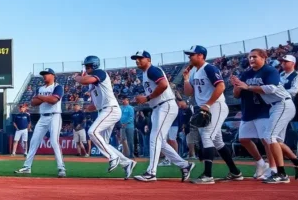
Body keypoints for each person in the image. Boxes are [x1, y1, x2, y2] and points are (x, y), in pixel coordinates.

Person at [230, 49, 298, 183]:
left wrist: (247, 87)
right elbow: (238, 93)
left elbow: (272, 88)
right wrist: (238, 85)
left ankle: (281, 174)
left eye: (254, 57)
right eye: (249, 57)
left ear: (264, 58)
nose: (251, 59)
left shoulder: (270, 70)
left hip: (282, 103)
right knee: (275, 140)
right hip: (275, 106)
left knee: (269, 137)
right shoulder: (247, 73)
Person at [183, 46, 243, 184]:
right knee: (217, 141)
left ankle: (208, 175)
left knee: (206, 136)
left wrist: (208, 105)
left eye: (192, 55)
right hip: (206, 107)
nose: (189, 57)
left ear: (200, 55)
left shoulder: (209, 68)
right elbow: (188, 93)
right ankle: (235, 172)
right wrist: (186, 79)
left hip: (215, 105)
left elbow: (221, 86)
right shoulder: (194, 73)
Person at [131, 51, 194, 182]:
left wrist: (147, 97)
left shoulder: (152, 70)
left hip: (165, 105)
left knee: (155, 138)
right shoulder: (145, 73)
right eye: (136, 59)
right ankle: (184, 165)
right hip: (158, 107)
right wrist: (145, 99)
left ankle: (151, 172)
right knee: (161, 141)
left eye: (140, 58)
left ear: (148, 59)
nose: (137, 60)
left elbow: (164, 85)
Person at [74, 56, 136, 178]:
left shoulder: (100, 73)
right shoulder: (92, 86)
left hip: (111, 109)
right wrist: (88, 108)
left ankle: (113, 157)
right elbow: (95, 105)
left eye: (88, 66)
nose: (87, 68)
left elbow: (84, 80)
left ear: (94, 66)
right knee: (104, 142)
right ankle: (127, 163)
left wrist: (76, 77)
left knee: (92, 132)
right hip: (106, 110)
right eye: (86, 66)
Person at [15, 68, 67, 177]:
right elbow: (33, 102)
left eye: (46, 74)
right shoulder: (40, 88)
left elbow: (54, 100)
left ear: (52, 75)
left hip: (55, 116)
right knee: (34, 141)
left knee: (54, 141)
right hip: (43, 117)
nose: (44, 76)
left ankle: (61, 168)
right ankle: (27, 167)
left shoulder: (57, 87)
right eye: (43, 74)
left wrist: (41, 97)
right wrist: (46, 98)